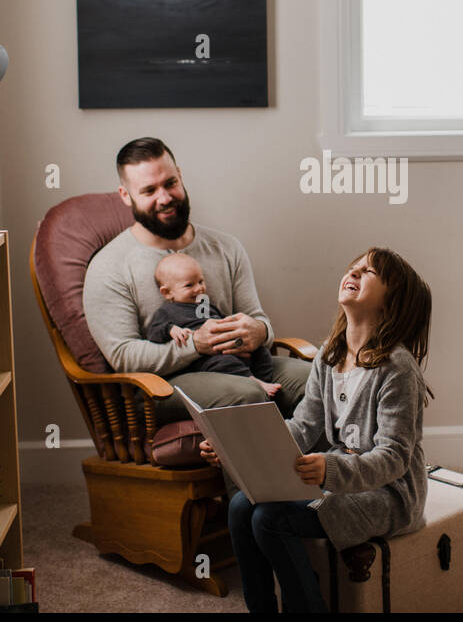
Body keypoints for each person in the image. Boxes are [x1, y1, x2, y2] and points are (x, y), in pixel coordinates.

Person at [201, 247, 433, 613]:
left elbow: (394, 459)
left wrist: (330, 469)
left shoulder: (397, 368)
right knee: (240, 504)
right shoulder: (329, 355)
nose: (354, 272)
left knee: (271, 519)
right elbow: (302, 426)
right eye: (353, 267)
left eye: (369, 272)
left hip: (390, 495)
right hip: (338, 478)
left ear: (393, 301)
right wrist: (234, 450)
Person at [81, 138, 310, 426]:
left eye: (170, 183)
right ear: (126, 195)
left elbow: (258, 319)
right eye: (149, 190)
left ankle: (323, 470)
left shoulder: (226, 247)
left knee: (314, 382)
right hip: (163, 386)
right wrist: (195, 346)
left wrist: (259, 330)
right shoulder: (109, 266)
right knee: (246, 394)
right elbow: (124, 356)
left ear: (180, 175)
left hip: (242, 364)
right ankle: (259, 472)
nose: (164, 197)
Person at [145, 251, 279, 397]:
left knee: (262, 351)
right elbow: (154, 333)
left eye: (201, 281)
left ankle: (264, 381)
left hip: (231, 346)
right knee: (223, 363)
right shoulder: (167, 311)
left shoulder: (206, 304)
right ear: (167, 292)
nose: (199, 289)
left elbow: (221, 319)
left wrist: (235, 330)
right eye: (189, 285)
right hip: (206, 358)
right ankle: (255, 382)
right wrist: (171, 329)